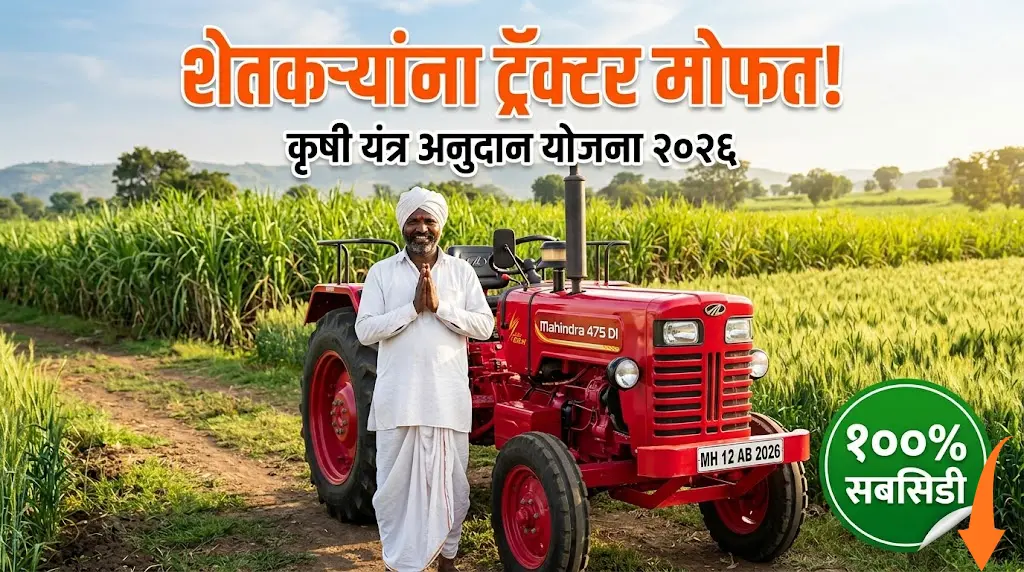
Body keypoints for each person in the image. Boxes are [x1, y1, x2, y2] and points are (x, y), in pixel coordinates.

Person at [354, 186, 495, 572]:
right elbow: (365, 330)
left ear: (440, 226)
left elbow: (485, 325)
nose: (421, 228)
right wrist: (413, 309)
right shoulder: (381, 273)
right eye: (414, 220)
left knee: (454, 488)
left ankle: (446, 559)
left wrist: (440, 307)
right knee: (393, 491)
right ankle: (398, 563)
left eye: (428, 220)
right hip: (398, 401)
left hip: (446, 401)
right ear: (403, 225)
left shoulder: (461, 272)